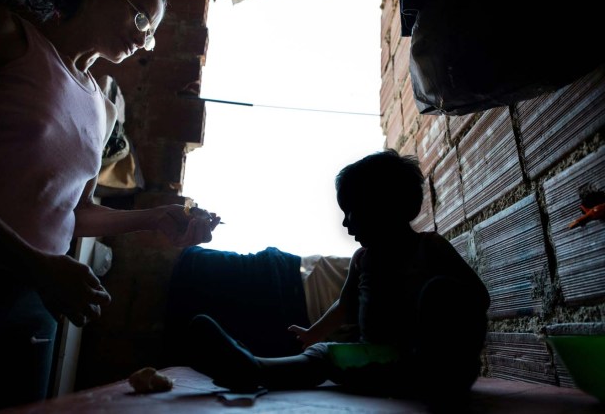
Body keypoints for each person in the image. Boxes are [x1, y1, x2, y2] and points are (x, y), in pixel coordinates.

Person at [0, 0, 220, 411]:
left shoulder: (103, 109)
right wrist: (35, 263)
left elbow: (75, 212)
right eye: (142, 20)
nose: (144, 41)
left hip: (37, 297)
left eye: (152, 34)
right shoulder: (5, 35)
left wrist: (156, 217)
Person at [186, 150, 490, 408]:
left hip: (436, 367)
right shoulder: (363, 260)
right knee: (324, 355)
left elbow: (478, 297)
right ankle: (254, 368)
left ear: (386, 209)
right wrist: (313, 334)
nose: (345, 223)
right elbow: (345, 306)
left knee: (442, 291)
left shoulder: (430, 247)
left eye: (352, 212)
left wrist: (439, 312)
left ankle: (440, 375)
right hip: (381, 361)